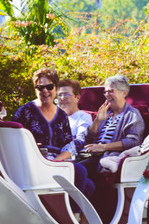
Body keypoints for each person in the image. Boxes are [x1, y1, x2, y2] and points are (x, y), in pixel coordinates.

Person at [11, 68, 95, 199]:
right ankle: (72, 216)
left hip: (56, 163)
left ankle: (75, 216)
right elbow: (13, 141)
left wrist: (56, 161)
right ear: (35, 89)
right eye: (40, 87)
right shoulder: (24, 112)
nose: (45, 91)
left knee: (89, 186)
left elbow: (69, 146)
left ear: (55, 88)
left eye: (49, 87)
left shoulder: (61, 115)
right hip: (33, 163)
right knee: (80, 171)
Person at [80, 74, 145, 179]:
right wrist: (97, 121)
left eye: (111, 91)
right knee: (68, 167)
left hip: (108, 157)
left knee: (77, 170)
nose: (107, 95)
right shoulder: (105, 113)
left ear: (124, 93)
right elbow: (87, 140)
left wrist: (103, 147)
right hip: (90, 155)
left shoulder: (132, 114)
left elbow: (134, 141)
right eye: (105, 92)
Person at [56, 78, 92, 157]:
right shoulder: (54, 117)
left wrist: (58, 159)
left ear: (77, 98)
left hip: (67, 160)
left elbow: (81, 141)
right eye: (59, 95)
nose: (62, 98)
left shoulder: (83, 117)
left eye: (67, 94)